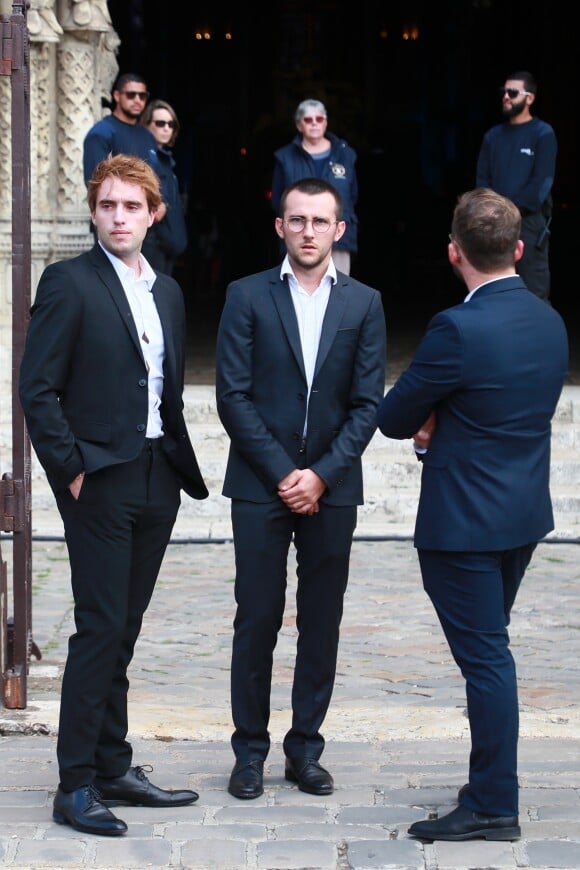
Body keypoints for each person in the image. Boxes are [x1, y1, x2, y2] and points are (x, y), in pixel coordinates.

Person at [19, 155, 209, 837]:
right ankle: (74, 785)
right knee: (99, 627)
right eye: (108, 206)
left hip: (158, 474)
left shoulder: (168, 292)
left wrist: (173, 463)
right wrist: (71, 469)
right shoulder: (69, 283)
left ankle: (113, 764)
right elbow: (36, 389)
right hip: (97, 479)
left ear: (154, 213)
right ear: (94, 211)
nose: (119, 217)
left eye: (132, 207)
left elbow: (164, 388)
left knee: (124, 628)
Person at [375, 188, 568, 842]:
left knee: (487, 662)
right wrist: (449, 420)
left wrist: (435, 421)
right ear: (517, 249)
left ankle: (493, 803)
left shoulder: (457, 327)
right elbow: (505, 409)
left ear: (454, 252)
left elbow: (395, 417)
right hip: (522, 517)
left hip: (463, 526)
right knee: (491, 655)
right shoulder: (550, 321)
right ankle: (488, 787)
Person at [215, 177, 386, 800]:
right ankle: (249, 751)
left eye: (320, 221)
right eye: (298, 220)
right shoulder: (246, 295)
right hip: (261, 485)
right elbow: (231, 394)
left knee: (322, 621)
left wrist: (321, 474)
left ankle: (305, 748)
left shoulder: (364, 303)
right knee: (256, 618)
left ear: (339, 230)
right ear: (280, 227)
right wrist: (284, 473)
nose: (308, 231)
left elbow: (369, 403)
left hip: (332, 488)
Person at [476, 70, 557, 303]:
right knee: (492, 290)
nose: (506, 97)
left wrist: (509, 212)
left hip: (529, 226)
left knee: (534, 292)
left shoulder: (542, 133)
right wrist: (492, 214)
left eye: (513, 92)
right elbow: (482, 181)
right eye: (504, 92)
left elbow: (541, 184)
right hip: (493, 224)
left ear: (530, 98)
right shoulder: (492, 136)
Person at [271, 99, 358, 275]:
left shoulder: (345, 154)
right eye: (308, 120)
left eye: (319, 119)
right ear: (298, 125)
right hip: (298, 240)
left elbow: (353, 195)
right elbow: (278, 202)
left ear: (326, 122)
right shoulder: (285, 158)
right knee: (297, 293)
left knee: (338, 294)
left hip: (338, 240)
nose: (314, 124)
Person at [82, 71, 168, 242]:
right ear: (116, 96)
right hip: (116, 227)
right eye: (131, 95)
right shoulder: (102, 132)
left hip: (149, 228)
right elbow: (96, 182)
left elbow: (158, 175)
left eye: (142, 96)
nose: (137, 100)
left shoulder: (147, 136)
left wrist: (162, 203)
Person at [140, 98, 188, 274]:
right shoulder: (144, 156)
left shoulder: (165, 159)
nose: (166, 128)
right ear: (146, 124)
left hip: (166, 244)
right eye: (160, 123)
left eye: (171, 124)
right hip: (153, 242)